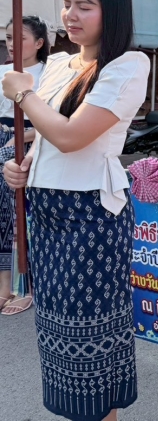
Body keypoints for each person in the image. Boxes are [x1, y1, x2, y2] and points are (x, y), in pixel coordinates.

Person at [3, 0, 150, 421]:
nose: (71, 14)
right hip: (46, 213)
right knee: (57, 334)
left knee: (89, 336)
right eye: (67, 4)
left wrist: (23, 96)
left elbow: (71, 136)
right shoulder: (59, 65)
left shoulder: (128, 64)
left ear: (112, 12)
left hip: (90, 216)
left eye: (84, 6)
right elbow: (47, 137)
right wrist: (22, 166)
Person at [0, 16, 49, 315]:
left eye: (19, 38)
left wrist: (18, 139)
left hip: (30, 142)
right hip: (3, 140)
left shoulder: (49, 73)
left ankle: (25, 285)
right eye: (8, 38)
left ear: (39, 42)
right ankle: (4, 284)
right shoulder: (2, 72)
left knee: (20, 211)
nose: (12, 44)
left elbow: (52, 120)